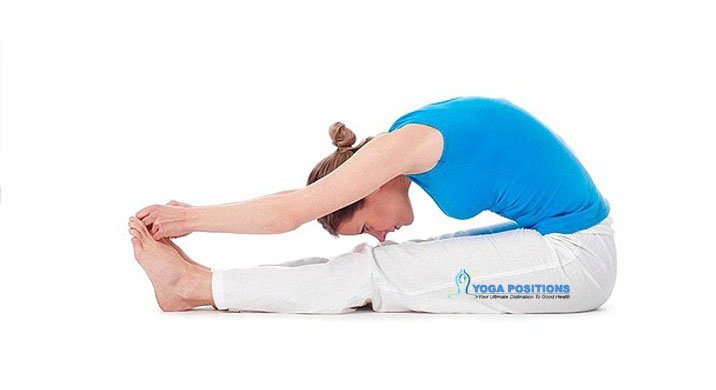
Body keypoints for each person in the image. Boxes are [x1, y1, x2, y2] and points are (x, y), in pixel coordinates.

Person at [128, 96, 617, 314]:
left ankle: (196, 287)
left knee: (377, 271)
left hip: (576, 264)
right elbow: (297, 201)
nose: (378, 233)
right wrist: (196, 217)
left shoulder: (406, 146)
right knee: (376, 266)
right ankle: (209, 282)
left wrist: (190, 217)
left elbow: (291, 211)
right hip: (555, 243)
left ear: (364, 187)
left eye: (362, 224)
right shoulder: (399, 145)